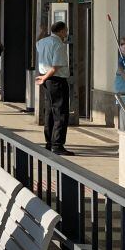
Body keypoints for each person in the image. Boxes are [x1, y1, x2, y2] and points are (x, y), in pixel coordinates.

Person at [36, 21, 73, 155]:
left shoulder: (43, 42)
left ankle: (49, 142)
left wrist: (43, 78)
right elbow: (55, 67)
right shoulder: (59, 45)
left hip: (47, 81)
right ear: (61, 31)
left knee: (50, 112)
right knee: (61, 112)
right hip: (56, 80)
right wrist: (45, 77)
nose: (66, 33)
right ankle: (57, 145)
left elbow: (37, 43)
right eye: (66, 30)